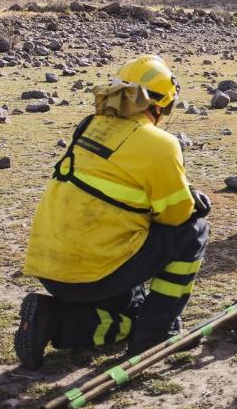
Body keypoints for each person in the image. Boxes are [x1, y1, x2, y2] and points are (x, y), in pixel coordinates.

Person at [15, 54, 211, 369]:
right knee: (194, 231)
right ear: (158, 106)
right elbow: (175, 217)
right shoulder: (161, 144)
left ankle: (54, 319)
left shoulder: (89, 125)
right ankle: (156, 336)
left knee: (133, 314)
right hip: (98, 272)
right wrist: (191, 201)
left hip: (49, 268)